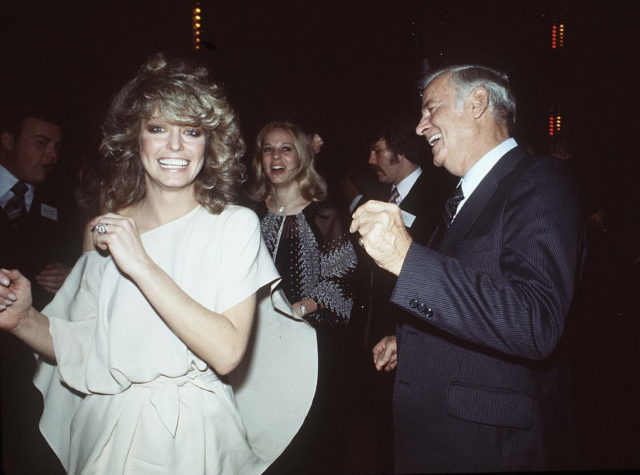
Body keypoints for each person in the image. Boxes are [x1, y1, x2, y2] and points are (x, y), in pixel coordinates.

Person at [0, 53, 316, 475]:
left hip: (191, 437)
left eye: (191, 132)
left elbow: (226, 352)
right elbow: (84, 345)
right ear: (135, 139)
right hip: (107, 432)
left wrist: (141, 264)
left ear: (210, 143)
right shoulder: (106, 230)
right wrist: (22, 319)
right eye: (158, 128)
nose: (174, 147)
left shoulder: (233, 226)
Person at [351, 64, 586, 473]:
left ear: (478, 102)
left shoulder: (541, 180)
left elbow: (536, 320)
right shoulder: (461, 199)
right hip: (437, 438)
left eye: (430, 110)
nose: (422, 127)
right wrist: (412, 342)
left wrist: (407, 258)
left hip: (489, 448)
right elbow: (472, 302)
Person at [247, 120, 357, 474]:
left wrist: (296, 309)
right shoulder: (248, 215)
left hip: (311, 346)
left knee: (307, 444)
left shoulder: (325, 215)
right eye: (268, 149)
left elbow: (341, 284)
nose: (276, 157)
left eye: (286, 148)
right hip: (256, 346)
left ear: (302, 157)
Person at [348, 115, 452, 472]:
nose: (370, 160)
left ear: (399, 152)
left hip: (414, 336)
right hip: (373, 336)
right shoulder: (376, 198)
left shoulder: (441, 199)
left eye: (377, 151)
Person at [1, 106, 79, 474]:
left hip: (31, 354)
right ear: (8, 141)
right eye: (41, 143)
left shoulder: (60, 204)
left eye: (57, 147)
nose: (52, 155)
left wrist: (71, 274)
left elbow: (80, 265)